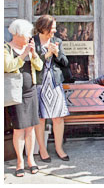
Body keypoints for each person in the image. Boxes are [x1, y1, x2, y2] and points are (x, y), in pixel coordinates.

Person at [4, 19, 43, 177]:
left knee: (31, 128)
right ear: (17, 34)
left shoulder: (29, 47)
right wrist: (24, 54)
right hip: (16, 94)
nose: (29, 37)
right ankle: (19, 161)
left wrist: (33, 54)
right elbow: (7, 66)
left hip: (30, 92)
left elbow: (39, 66)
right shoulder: (6, 48)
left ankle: (31, 159)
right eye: (27, 34)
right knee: (19, 129)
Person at [34, 15, 70, 163]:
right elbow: (31, 63)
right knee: (40, 118)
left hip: (54, 83)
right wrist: (46, 54)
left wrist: (56, 54)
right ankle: (42, 150)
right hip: (39, 84)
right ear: (44, 28)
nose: (54, 32)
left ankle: (59, 148)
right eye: (52, 28)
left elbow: (65, 62)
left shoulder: (57, 41)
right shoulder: (33, 41)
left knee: (58, 117)